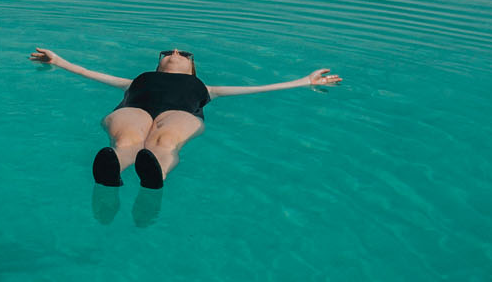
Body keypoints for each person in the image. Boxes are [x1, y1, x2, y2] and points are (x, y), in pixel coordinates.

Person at [29, 47, 340, 189]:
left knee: (163, 142)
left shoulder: (207, 87)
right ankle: (113, 171)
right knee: (128, 141)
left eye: (184, 54)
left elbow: (257, 88)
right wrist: (59, 61)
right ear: (159, 62)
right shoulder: (136, 80)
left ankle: (155, 175)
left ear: (192, 67)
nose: (175, 52)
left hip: (180, 115)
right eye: (167, 51)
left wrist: (306, 81)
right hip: (134, 110)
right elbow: (90, 73)